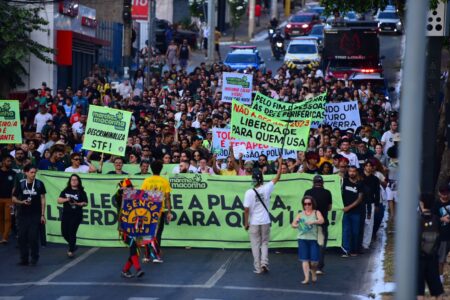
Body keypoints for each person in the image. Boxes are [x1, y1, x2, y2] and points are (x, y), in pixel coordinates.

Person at [243, 157, 282, 274]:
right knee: (264, 243)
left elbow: (246, 210)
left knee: (255, 245)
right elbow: (277, 177)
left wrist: (246, 223)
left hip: (254, 222)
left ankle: (258, 268)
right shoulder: (266, 188)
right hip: (265, 221)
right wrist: (280, 163)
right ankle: (264, 263)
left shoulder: (249, 192)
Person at [12, 164, 47, 266]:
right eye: (31, 172)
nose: (33, 174)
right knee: (22, 238)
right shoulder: (21, 184)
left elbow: (43, 199)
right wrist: (22, 202)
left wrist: (42, 215)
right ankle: (24, 259)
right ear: (26, 172)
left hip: (35, 215)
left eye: (35, 172)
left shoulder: (39, 184)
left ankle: (34, 257)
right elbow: (13, 198)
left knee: (33, 237)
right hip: (22, 215)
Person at [141, 160, 172, 263]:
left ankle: (146, 256)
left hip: (148, 211)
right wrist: (169, 212)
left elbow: (142, 197)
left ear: (151, 168)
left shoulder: (146, 180)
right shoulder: (164, 181)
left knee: (147, 232)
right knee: (158, 233)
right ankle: (156, 256)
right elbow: (168, 198)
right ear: (161, 169)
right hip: (159, 211)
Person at [291, 195, 325, 284]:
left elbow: (322, 220)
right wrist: (299, 225)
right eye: (305, 204)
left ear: (312, 204)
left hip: (314, 239)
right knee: (304, 259)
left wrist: (313, 221)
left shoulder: (316, 212)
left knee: (314, 262)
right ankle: (306, 278)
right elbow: (293, 224)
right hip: (302, 238)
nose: (307, 205)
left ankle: (313, 271)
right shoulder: (300, 214)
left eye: (309, 204)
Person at [303, 175, 332, 275]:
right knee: (321, 246)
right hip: (322, 223)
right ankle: (318, 268)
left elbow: (304, 207)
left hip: (309, 222)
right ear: (322, 183)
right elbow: (329, 207)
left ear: (313, 183)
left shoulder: (308, 192)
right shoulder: (327, 193)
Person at [417, 193, 444, 300]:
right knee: (438, 291)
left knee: (419, 291)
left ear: (421, 203)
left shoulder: (417, 220)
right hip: (433, 258)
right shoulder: (437, 220)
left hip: (419, 259)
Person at [57, 174, 88, 258]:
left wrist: (77, 203)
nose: (74, 181)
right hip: (66, 214)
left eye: (75, 180)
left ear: (78, 182)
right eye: (72, 180)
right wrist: (67, 199)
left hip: (76, 215)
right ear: (70, 181)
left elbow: (85, 203)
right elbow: (59, 200)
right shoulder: (66, 190)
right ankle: (73, 245)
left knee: (72, 232)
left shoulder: (81, 192)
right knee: (64, 233)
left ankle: (71, 250)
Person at [341, 165, 364, 257]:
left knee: (355, 232)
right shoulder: (344, 181)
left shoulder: (360, 183)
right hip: (345, 212)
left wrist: (349, 207)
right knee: (346, 231)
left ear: (356, 172)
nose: (352, 173)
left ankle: (354, 250)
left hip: (356, 212)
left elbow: (360, 199)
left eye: (354, 171)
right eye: (350, 171)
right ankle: (346, 250)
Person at [433, 185, 450, 283]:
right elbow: (432, 219)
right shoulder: (436, 204)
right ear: (439, 193)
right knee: (441, 258)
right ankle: (440, 276)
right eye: (443, 194)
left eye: (447, 193)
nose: (445, 196)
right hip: (442, 235)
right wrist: (441, 219)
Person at [0, 155, 16, 243]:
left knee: (8, 219)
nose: (9, 163)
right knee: (1, 218)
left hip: (9, 200)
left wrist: (12, 197)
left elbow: (14, 186)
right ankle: (3, 234)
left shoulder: (13, 173)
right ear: (3, 162)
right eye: (8, 161)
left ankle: (5, 237)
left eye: (10, 161)